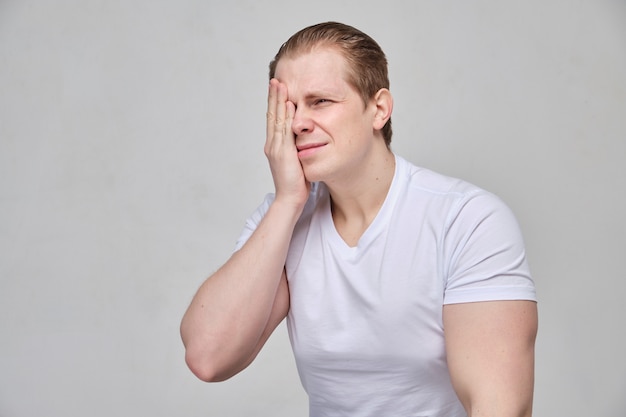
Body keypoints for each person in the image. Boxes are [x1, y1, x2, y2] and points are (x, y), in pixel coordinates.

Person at [180, 21, 538, 417]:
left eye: (320, 102)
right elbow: (208, 356)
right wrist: (286, 201)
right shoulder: (283, 218)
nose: (297, 123)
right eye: (288, 107)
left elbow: (499, 405)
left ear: (379, 109)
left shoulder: (466, 220)